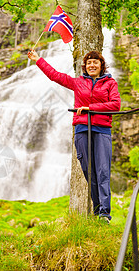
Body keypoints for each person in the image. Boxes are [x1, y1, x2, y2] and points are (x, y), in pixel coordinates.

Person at [28, 49, 121, 223]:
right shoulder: (78, 82)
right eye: (89, 62)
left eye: (96, 62)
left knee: (102, 171)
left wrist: (91, 108)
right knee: (88, 171)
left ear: (102, 65)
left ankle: (104, 213)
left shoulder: (110, 83)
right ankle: (96, 209)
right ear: (85, 67)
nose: (92, 64)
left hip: (102, 130)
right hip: (82, 129)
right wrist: (38, 59)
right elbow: (55, 76)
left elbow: (116, 104)